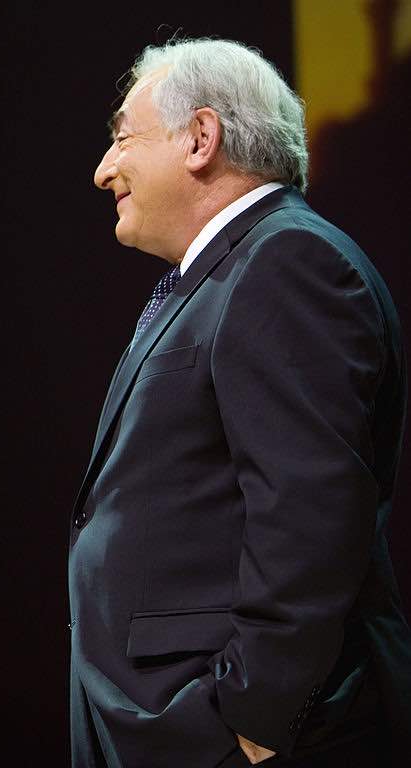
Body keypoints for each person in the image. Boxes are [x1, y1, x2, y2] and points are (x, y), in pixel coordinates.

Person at [69, 37, 411, 768]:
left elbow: (310, 510)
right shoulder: (230, 272)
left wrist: (254, 721)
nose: (103, 170)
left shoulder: (286, 262)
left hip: (245, 733)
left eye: (122, 137)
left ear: (200, 138)